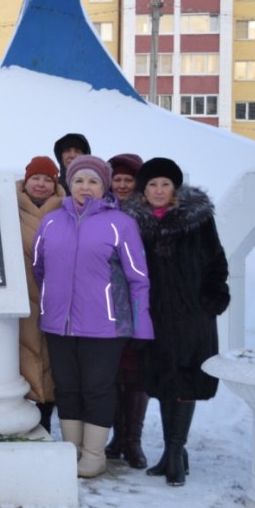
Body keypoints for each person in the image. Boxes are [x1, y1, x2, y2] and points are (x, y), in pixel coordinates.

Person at [32, 155, 153, 478]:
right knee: (67, 388)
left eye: (93, 181)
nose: (86, 187)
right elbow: (39, 268)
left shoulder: (121, 224)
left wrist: (141, 328)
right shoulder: (52, 222)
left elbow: (138, 278)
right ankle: (72, 450)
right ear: (69, 185)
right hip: (59, 324)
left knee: (98, 388)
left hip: (106, 326)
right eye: (79, 181)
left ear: (104, 186)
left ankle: (94, 454)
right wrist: (52, 303)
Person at [123, 157, 230, 487]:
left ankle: (174, 454)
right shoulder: (134, 222)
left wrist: (210, 299)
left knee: (185, 380)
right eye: (152, 184)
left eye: (165, 184)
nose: (158, 190)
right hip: (153, 316)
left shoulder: (197, 220)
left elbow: (216, 260)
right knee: (163, 380)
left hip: (191, 316)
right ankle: (173, 453)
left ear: (175, 189)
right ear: (144, 190)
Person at [103, 152, 149, 468]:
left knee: (136, 373)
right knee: (113, 372)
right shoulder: (101, 211)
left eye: (127, 180)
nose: (121, 185)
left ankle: (133, 440)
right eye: (116, 179)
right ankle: (117, 437)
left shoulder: (146, 215)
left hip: (139, 302)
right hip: (108, 304)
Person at [15, 156, 65, 434]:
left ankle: (45, 414)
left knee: (50, 358)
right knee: (21, 355)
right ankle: (20, 413)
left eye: (48, 179)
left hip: (54, 297)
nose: (41, 184)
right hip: (20, 297)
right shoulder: (8, 207)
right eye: (36, 178)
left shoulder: (66, 211)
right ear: (26, 181)